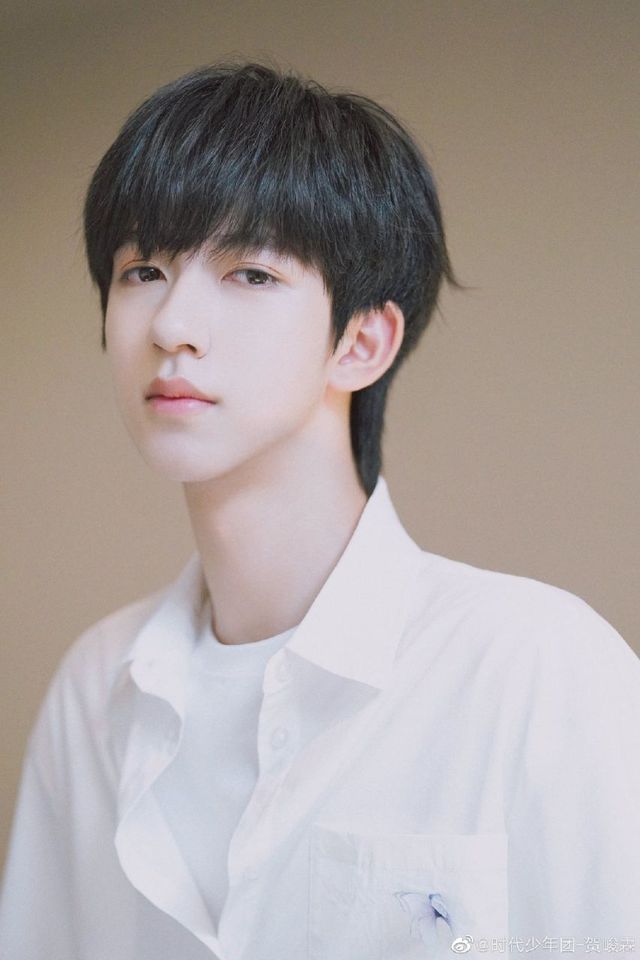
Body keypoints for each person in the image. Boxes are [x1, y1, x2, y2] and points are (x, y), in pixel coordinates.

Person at [1, 60, 638, 960]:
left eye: (250, 274)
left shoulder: (532, 667)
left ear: (363, 341)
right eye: (143, 269)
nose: (171, 325)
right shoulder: (97, 686)